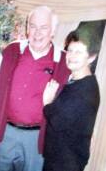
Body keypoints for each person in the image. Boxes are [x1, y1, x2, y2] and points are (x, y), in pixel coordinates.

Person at [0, 6, 70, 171]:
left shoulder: (64, 61)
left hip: (38, 139)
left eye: (43, 27)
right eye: (33, 26)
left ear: (52, 31)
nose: (37, 33)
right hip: (6, 133)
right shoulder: (12, 51)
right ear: (27, 28)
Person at [42, 26, 101, 171]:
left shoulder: (84, 90)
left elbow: (57, 121)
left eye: (79, 52)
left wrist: (47, 102)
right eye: (70, 50)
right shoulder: (78, 81)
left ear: (91, 57)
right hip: (61, 158)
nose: (71, 56)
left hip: (65, 163)